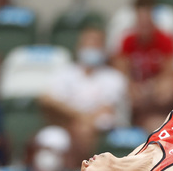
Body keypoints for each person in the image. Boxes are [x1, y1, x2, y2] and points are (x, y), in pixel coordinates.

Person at [40, 26, 129, 155]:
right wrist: (78, 116)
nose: (91, 48)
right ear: (79, 47)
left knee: (84, 129)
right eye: (87, 43)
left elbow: (106, 109)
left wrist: (76, 116)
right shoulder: (66, 72)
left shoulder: (113, 77)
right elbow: (46, 99)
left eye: (95, 44)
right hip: (69, 122)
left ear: (104, 49)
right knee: (49, 136)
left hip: (103, 127)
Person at [114, 0, 173, 132]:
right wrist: (133, 86)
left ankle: (163, 120)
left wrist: (152, 86)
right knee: (119, 85)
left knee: (169, 86)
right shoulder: (128, 40)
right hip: (135, 85)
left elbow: (169, 70)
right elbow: (121, 69)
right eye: (140, 21)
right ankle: (127, 123)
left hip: (155, 85)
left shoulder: (165, 40)